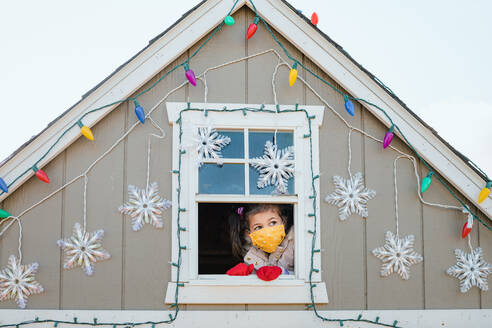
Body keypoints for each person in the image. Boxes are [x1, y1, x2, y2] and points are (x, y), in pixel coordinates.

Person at [228, 204, 294, 275]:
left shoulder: (295, 243)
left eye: (272, 223)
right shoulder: (251, 255)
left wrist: (282, 273)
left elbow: (304, 275)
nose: (267, 231)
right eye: (258, 227)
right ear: (249, 234)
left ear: (284, 222)